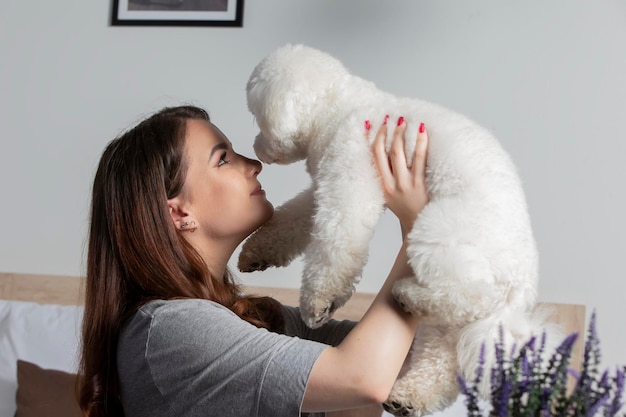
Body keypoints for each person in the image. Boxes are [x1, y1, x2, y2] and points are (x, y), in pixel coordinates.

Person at [78, 105, 430, 417]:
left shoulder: (254, 320)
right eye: (223, 159)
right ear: (178, 212)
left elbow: (402, 359)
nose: (254, 165)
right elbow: (363, 377)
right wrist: (418, 232)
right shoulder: (169, 329)